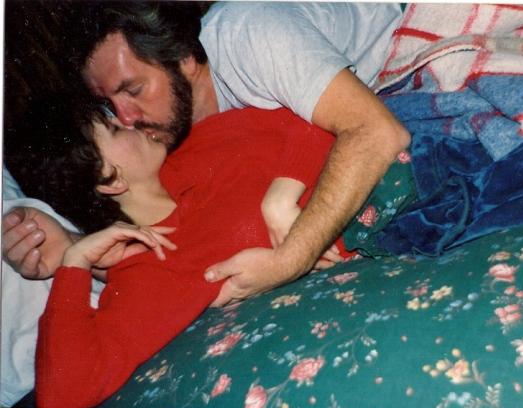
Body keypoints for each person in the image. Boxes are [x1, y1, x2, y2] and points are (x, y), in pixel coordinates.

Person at [3, 1, 410, 305]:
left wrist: (291, 258)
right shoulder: (166, 135)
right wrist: (73, 248)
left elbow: (376, 130)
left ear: (183, 58)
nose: (125, 118)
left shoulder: (249, 34)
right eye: (109, 104)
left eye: (134, 89)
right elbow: (184, 249)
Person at [10, 86, 352, 408]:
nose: (129, 119)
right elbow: (62, 395)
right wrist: (74, 262)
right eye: (114, 128)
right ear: (109, 180)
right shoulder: (149, 270)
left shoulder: (201, 142)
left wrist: (287, 203)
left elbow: (316, 115)